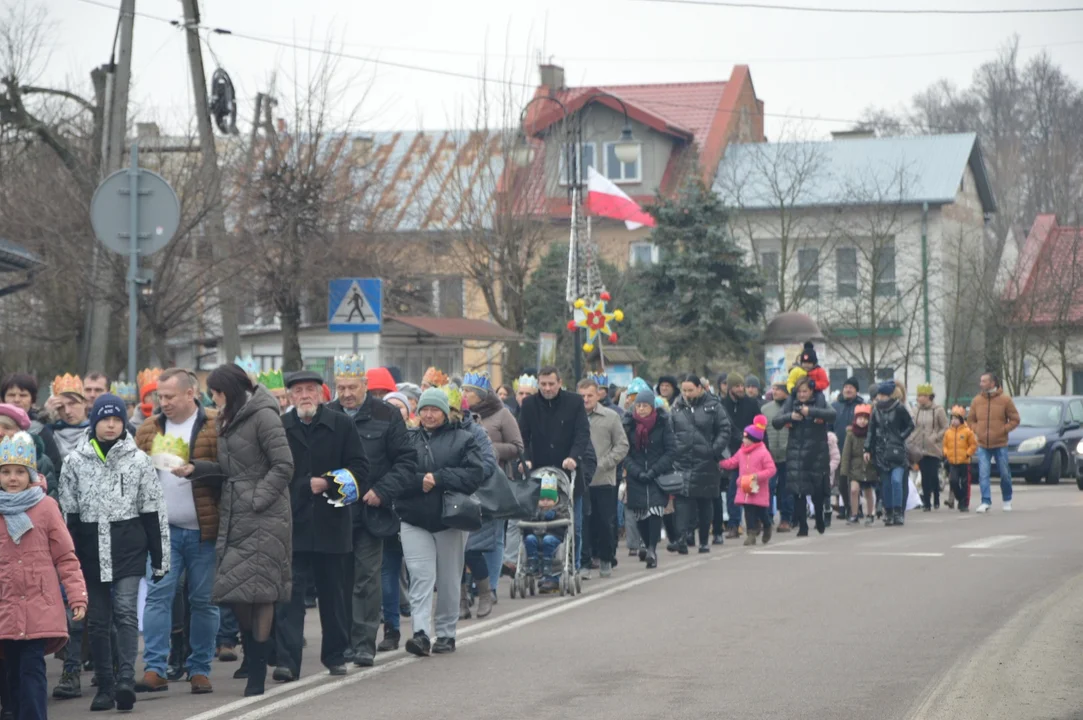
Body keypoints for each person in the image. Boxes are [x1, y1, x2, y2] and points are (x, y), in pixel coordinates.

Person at [188, 364, 293, 697]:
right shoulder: (228, 419)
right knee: (237, 593)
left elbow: (284, 465)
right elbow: (231, 469)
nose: (213, 398)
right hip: (236, 513)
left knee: (260, 592)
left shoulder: (264, 416)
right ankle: (255, 659)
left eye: (216, 393)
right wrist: (197, 469)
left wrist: (257, 498)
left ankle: (257, 671)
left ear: (229, 391)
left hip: (264, 515)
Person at [59, 394, 169, 712]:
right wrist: (69, 559)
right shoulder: (75, 462)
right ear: (94, 422)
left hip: (128, 547)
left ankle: (124, 680)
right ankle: (104, 686)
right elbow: (68, 515)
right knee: (98, 620)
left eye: (117, 420)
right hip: (90, 550)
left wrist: (160, 558)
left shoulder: (138, 460)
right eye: (105, 419)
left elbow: (153, 510)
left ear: (124, 423)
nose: (111, 425)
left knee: (124, 611)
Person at [274, 370, 368, 681]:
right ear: (289, 397)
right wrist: (302, 487)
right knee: (290, 598)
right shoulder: (280, 427)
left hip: (332, 523)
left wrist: (329, 482)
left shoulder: (341, 424)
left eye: (310, 390)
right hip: (293, 523)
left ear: (321, 394)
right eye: (298, 391)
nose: (304, 396)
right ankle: (287, 661)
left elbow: (360, 468)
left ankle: (336, 655)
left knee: (334, 595)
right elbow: (270, 471)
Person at [134, 369, 222, 695]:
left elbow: (229, 471)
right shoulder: (148, 428)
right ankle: (155, 668)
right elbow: (133, 475)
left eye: (170, 396)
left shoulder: (215, 426)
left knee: (203, 602)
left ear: (191, 394)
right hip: (164, 532)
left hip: (204, 531)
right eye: (161, 396)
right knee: (158, 597)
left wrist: (198, 470)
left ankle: (199, 669)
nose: (163, 402)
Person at [327, 357, 416, 667]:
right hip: (335, 512)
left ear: (364, 385)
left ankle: (364, 642)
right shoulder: (327, 415)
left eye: (352, 387)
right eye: (341, 388)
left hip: (370, 512)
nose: (347, 393)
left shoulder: (386, 415)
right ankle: (345, 641)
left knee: (367, 577)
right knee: (340, 579)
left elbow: (406, 461)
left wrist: (382, 491)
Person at [0, 431, 88, 720]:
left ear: (31, 474)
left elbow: (65, 556)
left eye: (19, 472)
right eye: (5, 472)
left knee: (32, 669)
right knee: (10, 673)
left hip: (38, 604)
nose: (12, 478)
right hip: (5, 606)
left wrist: (76, 595)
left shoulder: (46, 507)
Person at [397, 389, 484, 657]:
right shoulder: (407, 439)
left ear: (446, 412)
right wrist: (417, 481)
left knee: (447, 579)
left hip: (450, 520)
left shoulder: (464, 439)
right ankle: (421, 633)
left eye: (435, 409)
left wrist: (439, 478)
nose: (429, 414)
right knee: (420, 576)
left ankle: (446, 632)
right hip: (414, 518)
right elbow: (396, 473)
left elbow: (474, 474)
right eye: (424, 409)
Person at [517, 367, 592, 572]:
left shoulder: (574, 402)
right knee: (536, 524)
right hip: (539, 473)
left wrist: (574, 457)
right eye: (543, 384)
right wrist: (526, 460)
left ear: (559, 382)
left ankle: (571, 567)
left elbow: (582, 434)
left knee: (571, 525)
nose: (547, 388)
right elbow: (522, 436)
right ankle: (539, 567)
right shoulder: (529, 404)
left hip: (567, 472)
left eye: (551, 383)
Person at [462, 372, 523, 601]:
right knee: (471, 536)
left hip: (496, 481)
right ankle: (475, 583)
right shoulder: (464, 416)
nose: (464, 394)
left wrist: (491, 449)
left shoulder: (502, 414)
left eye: (468, 391)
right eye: (463, 390)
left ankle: (493, 585)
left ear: (480, 395)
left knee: (495, 536)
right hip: (470, 482)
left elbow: (517, 446)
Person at [670, 374, 730, 554]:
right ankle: (681, 538)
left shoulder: (713, 407)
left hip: (706, 462)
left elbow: (724, 429)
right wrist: (674, 451)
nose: (687, 394)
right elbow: (670, 430)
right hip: (682, 461)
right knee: (681, 501)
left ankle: (704, 540)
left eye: (690, 390)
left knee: (704, 503)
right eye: (684, 390)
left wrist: (713, 450)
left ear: (700, 388)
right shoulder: (677, 407)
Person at [576, 378, 628, 576]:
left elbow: (622, 445)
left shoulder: (611, 417)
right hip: (581, 479)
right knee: (583, 523)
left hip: (604, 479)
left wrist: (605, 463)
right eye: (582, 396)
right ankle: (584, 562)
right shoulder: (574, 416)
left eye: (590, 395)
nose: (586, 399)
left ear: (598, 395)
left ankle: (606, 558)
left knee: (605, 521)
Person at [772, 377, 836, 537]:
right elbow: (775, 421)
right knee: (798, 492)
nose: (801, 395)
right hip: (796, 454)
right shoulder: (790, 403)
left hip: (816, 454)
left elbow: (832, 414)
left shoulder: (820, 402)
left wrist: (811, 412)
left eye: (805, 391)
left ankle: (819, 517)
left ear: (811, 391)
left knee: (818, 492)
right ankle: (802, 526)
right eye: (799, 391)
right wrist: (790, 417)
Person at [622, 390, 676, 569]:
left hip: (656, 475)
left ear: (652, 407)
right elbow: (625, 452)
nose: (641, 409)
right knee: (640, 515)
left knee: (655, 512)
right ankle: (645, 543)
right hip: (636, 476)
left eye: (645, 405)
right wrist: (636, 472)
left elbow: (670, 451)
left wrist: (654, 470)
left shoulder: (662, 423)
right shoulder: (628, 425)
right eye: (638, 405)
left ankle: (652, 549)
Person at [966, 372, 1019, 514]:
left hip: (1000, 443)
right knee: (983, 473)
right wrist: (977, 430)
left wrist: (1003, 430)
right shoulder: (977, 400)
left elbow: (1015, 419)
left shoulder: (1005, 400)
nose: (981, 384)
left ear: (992, 383)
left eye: (984, 381)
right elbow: (970, 420)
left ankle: (1007, 500)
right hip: (983, 444)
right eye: (981, 381)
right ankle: (985, 501)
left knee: (1004, 473)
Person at [864, 380, 915, 527]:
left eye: (882, 394)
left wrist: (900, 437)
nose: (879, 397)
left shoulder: (899, 408)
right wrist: (867, 449)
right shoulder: (875, 410)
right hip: (880, 452)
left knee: (897, 481)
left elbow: (910, 425)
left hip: (897, 452)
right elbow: (871, 431)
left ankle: (899, 512)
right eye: (879, 395)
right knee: (885, 484)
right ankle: (889, 512)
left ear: (888, 395)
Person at [720, 415, 776, 546]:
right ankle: (751, 534)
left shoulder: (763, 452)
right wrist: (721, 463)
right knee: (748, 511)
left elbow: (771, 469)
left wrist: (758, 476)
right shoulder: (741, 451)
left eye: (747, 438)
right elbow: (733, 462)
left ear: (754, 439)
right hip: (745, 488)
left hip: (758, 488)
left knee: (762, 512)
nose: (744, 440)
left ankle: (767, 526)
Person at [719, 373, 761, 540]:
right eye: (737, 386)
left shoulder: (751, 404)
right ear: (730, 388)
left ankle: (754, 522)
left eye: (742, 386)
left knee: (750, 490)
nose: (741, 389)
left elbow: (759, 427)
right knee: (733, 491)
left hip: (751, 452)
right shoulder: (722, 405)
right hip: (732, 453)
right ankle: (734, 524)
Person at [1, 373, 62, 472]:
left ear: (32, 400)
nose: (17, 400)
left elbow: (54, 469)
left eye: (23, 395)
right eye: (11, 395)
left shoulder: (41, 431)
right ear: (3, 399)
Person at [523, 471, 570, 590]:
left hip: (553, 536)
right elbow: (526, 523)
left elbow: (566, 521)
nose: (545, 502)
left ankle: (548, 567)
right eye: (542, 499)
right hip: (536, 536)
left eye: (549, 499)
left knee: (548, 540)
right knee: (529, 539)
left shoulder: (561, 509)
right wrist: (535, 517)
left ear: (555, 500)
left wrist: (555, 515)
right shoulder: (533, 510)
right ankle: (532, 563)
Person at [0, 404, 57, 497]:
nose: (0, 433)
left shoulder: (40, 461)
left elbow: (50, 497)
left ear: (19, 432)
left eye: (7, 428)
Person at [909, 384, 949, 511]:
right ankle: (927, 502)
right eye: (918, 396)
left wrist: (936, 437)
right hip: (919, 447)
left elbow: (945, 427)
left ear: (928, 397)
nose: (919, 398)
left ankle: (936, 496)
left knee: (932, 474)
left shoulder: (938, 410)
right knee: (924, 474)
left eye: (921, 396)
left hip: (933, 448)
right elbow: (912, 426)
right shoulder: (915, 410)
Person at [762, 381, 792, 532]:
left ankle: (786, 518)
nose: (775, 392)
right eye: (773, 389)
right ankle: (766, 517)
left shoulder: (792, 408)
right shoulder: (765, 409)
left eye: (778, 390)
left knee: (786, 488)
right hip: (769, 456)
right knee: (768, 487)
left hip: (788, 455)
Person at [832, 378, 863, 518]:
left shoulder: (862, 406)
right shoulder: (834, 407)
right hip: (839, 449)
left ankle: (858, 507)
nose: (848, 390)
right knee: (842, 481)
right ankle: (847, 506)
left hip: (857, 451)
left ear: (856, 390)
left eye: (851, 387)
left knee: (858, 481)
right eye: (846, 387)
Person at [841, 405, 877, 525]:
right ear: (855, 419)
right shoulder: (851, 434)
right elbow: (846, 454)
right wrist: (844, 472)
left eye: (865, 418)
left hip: (868, 467)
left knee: (868, 491)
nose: (862, 421)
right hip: (855, 468)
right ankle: (854, 514)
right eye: (860, 418)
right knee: (854, 490)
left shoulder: (872, 434)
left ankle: (870, 514)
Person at [48, 375, 91, 464]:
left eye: (72, 404)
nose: (67, 411)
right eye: (61, 407)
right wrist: (46, 417)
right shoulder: (50, 434)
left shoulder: (97, 431)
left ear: (85, 403)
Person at [943, 406, 977, 512]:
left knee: (965, 483)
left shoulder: (967, 432)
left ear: (961, 419)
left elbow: (973, 445)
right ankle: (960, 497)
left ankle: (964, 503)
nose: (954, 421)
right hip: (953, 461)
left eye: (956, 419)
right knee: (953, 481)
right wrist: (946, 453)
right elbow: (945, 445)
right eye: (952, 418)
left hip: (964, 462)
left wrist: (968, 454)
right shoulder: (948, 432)